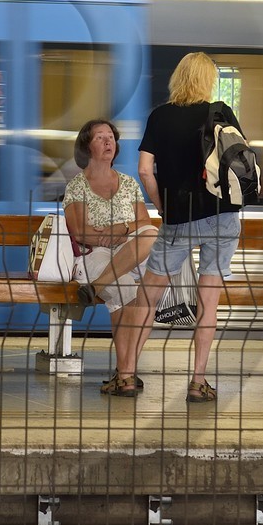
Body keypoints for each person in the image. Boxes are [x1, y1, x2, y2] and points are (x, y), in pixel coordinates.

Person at [135, 52, 246, 404]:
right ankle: (198, 382)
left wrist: (162, 206)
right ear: (208, 79)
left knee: (149, 296)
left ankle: (125, 374)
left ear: (177, 77)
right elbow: (239, 162)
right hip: (222, 216)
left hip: (179, 216)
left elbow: (144, 170)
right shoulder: (220, 112)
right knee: (208, 302)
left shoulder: (160, 116)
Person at [62, 119, 157, 398]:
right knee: (129, 290)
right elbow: (80, 232)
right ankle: (126, 374)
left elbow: (145, 224)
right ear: (86, 146)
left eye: (111, 137)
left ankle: (124, 373)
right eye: (100, 137)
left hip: (129, 251)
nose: (108, 142)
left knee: (150, 234)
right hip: (95, 254)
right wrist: (108, 236)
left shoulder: (128, 183)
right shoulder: (77, 186)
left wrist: (120, 229)